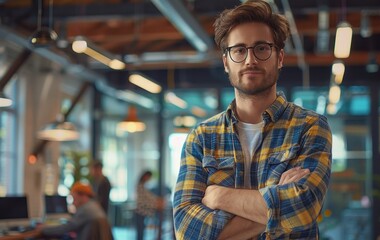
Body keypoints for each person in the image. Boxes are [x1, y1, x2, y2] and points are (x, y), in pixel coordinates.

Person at [173, 1, 332, 239]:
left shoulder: (309, 127)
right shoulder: (202, 137)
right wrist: (277, 202)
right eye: (239, 50)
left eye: (261, 48)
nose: (250, 60)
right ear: (226, 62)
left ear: (279, 57)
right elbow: (187, 229)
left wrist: (219, 196)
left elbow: (303, 209)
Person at [35, 182, 113, 240]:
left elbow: (66, 228)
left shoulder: (86, 209)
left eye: (74, 198)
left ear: (83, 196)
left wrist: (44, 229)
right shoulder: (94, 205)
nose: (73, 202)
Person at [135, 171, 165, 240]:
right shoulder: (140, 186)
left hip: (142, 212)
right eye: (149, 177)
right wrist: (156, 203)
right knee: (140, 232)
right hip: (140, 212)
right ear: (145, 176)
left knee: (141, 232)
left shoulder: (143, 186)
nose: (149, 179)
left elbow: (149, 197)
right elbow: (144, 200)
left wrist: (157, 201)